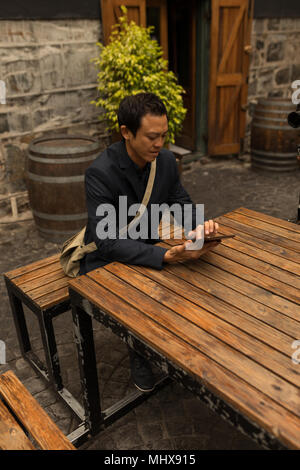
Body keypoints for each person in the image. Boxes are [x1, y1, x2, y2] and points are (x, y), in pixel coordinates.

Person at [80, 92, 219, 392]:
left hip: (145, 244)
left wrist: (200, 230)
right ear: (126, 132)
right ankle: (139, 350)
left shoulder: (166, 161)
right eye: (152, 137)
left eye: (164, 136)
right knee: (143, 295)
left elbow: (179, 203)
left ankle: (187, 345)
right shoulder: (99, 173)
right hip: (105, 258)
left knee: (199, 279)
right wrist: (167, 256)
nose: (160, 144)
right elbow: (107, 242)